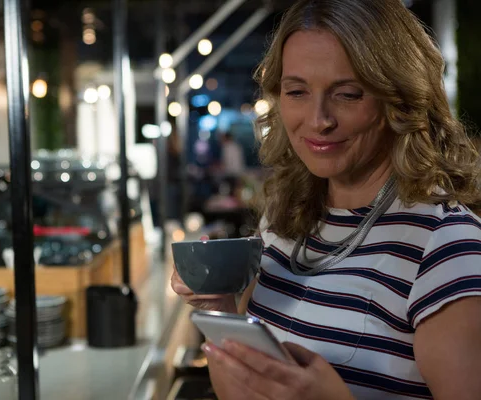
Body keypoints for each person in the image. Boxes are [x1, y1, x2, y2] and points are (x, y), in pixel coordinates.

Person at [171, 0, 481, 398]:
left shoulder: (447, 246)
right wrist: (218, 311)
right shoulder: (285, 221)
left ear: (398, 100)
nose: (319, 120)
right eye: (297, 91)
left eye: (348, 94)